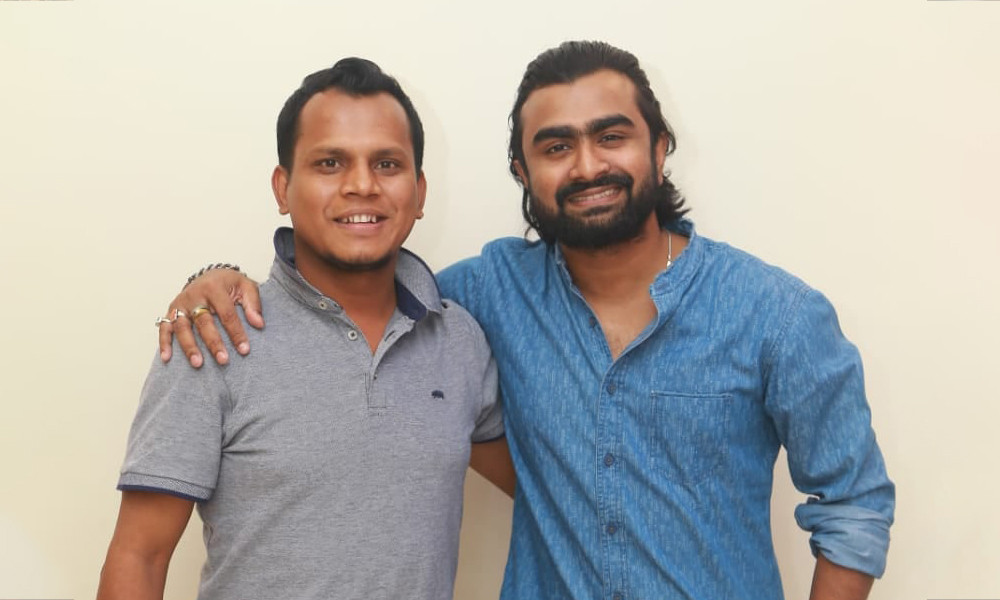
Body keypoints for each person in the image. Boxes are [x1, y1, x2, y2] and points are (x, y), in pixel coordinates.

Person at [159, 42, 895, 600]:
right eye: (555, 147)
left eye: (612, 136)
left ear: (660, 148)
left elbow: (854, 506)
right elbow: (360, 288)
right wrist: (214, 280)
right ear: (522, 170)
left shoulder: (777, 314)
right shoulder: (478, 300)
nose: (587, 166)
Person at [98, 57, 512, 600]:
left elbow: (549, 487)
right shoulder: (215, 338)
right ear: (283, 187)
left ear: (419, 191)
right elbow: (140, 556)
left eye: (387, 164)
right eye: (330, 163)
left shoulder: (459, 340)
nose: (361, 185)